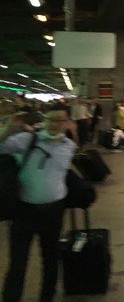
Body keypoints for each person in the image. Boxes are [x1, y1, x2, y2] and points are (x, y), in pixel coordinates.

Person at [0, 103, 77, 302]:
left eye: (60, 120)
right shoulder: (27, 140)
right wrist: (8, 128)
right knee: (18, 262)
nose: (54, 124)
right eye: (50, 119)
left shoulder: (69, 146)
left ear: (67, 122)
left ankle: (47, 297)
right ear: (44, 120)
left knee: (50, 258)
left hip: (54, 211)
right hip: (24, 211)